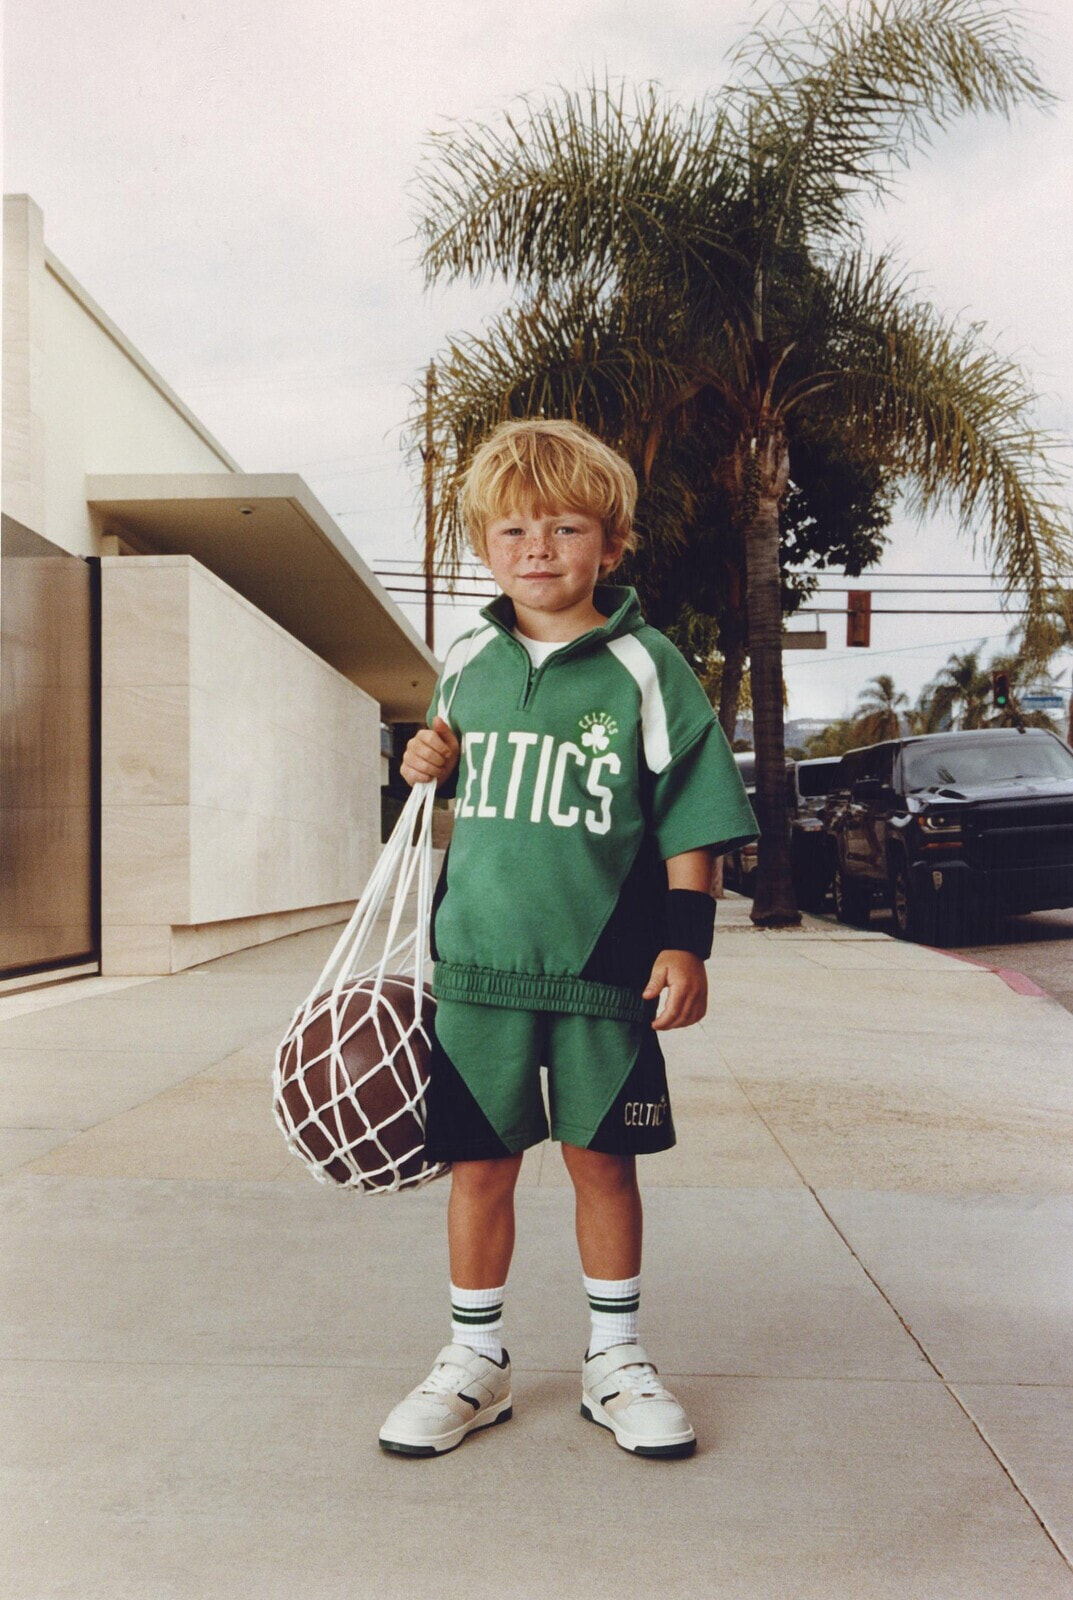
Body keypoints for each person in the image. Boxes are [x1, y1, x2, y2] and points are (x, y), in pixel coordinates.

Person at [379, 418, 758, 1460]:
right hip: (479, 969)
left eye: (563, 525)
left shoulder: (645, 666)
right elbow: (448, 769)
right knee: (479, 1168)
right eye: (510, 529)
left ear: (611, 542)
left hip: (604, 972)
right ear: (482, 547)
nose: (536, 547)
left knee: (602, 1162)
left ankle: (613, 1357)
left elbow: (689, 811)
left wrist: (686, 946)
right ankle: (475, 1359)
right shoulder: (465, 659)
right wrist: (423, 760)